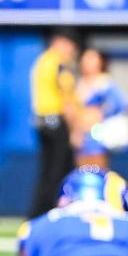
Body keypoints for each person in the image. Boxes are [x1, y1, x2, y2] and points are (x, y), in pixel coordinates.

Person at [29, 29, 79, 218]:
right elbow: (67, 101)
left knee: (46, 171)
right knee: (59, 172)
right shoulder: (59, 63)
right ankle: (51, 212)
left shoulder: (42, 61)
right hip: (57, 123)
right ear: (61, 42)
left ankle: (37, 213)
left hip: (42, 122)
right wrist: (74, 131)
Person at [74, 48, 128, 169]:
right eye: (86, 58)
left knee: (98, 169)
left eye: (92, 58)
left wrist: (101, 114)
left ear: (100, 62)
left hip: (97, 135)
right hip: (81, 137)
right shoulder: (79, 83)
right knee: (81, 170)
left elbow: (121, 104)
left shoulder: (104, 83)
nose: (87, 62)